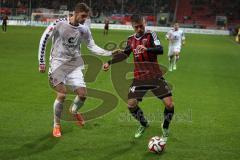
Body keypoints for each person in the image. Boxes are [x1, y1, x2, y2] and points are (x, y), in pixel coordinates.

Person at [38, 3, 113, 138]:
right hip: (58, 63)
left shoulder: (84, 29)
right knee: (62, 94)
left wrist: (109, 53)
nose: (85, 19)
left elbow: (92, 46)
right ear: (75, 13)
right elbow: (44, 39)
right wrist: (41, 61)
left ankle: (74, 110)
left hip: (75, 64)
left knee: (82, 95)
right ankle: (56, 125)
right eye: (83, 16)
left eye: (86, 17)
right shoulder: (59, 23)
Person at [103, 15, 174, 141]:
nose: (140, 28)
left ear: (144, 23)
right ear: (132, 26)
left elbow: (160, 49)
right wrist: (109, 62)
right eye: (137, 27)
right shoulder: (130, 39)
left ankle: (165, 126)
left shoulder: (151, 35)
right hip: (139, 78)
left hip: (155, 77)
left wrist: (147, 48)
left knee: (169, 105)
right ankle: (143, 123)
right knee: (131, 105)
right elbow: (124, 55)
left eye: (141, 25)